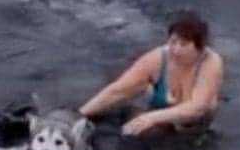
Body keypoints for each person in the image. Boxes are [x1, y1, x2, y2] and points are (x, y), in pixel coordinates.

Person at [79, 12, 223, 136]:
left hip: (193, 129)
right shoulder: (158, 58)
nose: (176, 49)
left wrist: (151, 118)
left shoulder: (210, 62)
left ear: (200, 48)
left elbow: (196, 108)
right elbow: (118, 91)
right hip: (159, 116)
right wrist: (79, 115)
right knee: (121, 128)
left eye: (184, 44)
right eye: (173, 42)